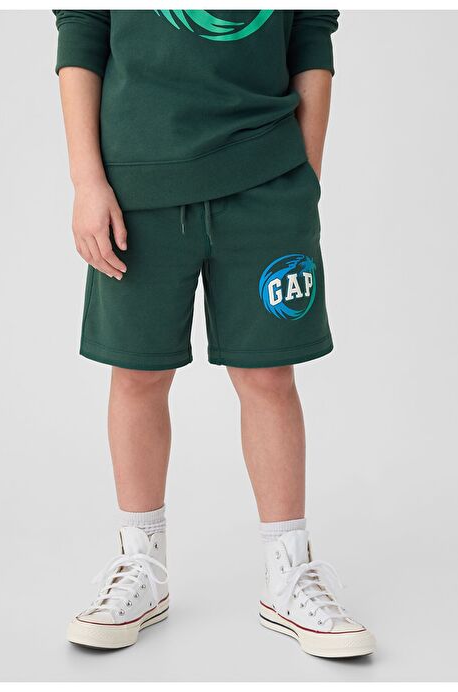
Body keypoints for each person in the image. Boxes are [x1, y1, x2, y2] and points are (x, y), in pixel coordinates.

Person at [54, 9, 375, 658]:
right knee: (137, 372)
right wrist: (87, 181)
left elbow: (310, 33)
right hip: (137, 185)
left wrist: (304, 177)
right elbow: (83, 31)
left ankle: (288, 575)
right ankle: (142, 567)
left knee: (268, 375)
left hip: (267, 179)